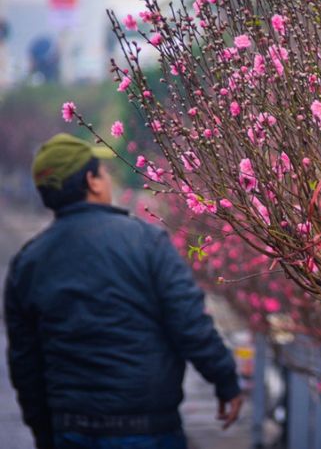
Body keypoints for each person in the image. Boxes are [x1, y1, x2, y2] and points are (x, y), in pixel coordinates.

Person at [4, 134, 243, 449]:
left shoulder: (27, 264)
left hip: (71, 428)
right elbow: (189, 323)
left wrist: (44, 431)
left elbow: (25, 362)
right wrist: (225, 381)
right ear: (92, 181)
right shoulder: (146, 243)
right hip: (148, 427)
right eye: (102, 172)